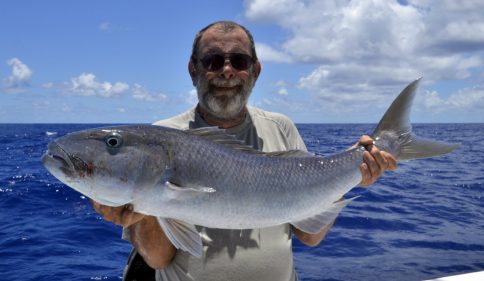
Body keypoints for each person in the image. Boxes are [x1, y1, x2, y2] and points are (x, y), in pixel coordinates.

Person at [91, 21, 397, 281]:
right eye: (213, 61)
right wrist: (141, 212)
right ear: (192, 70)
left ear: (255, 71)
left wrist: (354, 173)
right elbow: (158, 260)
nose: (227, 71)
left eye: (239, 61)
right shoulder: (163, 135)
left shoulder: (281, 127)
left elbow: (310, 235)